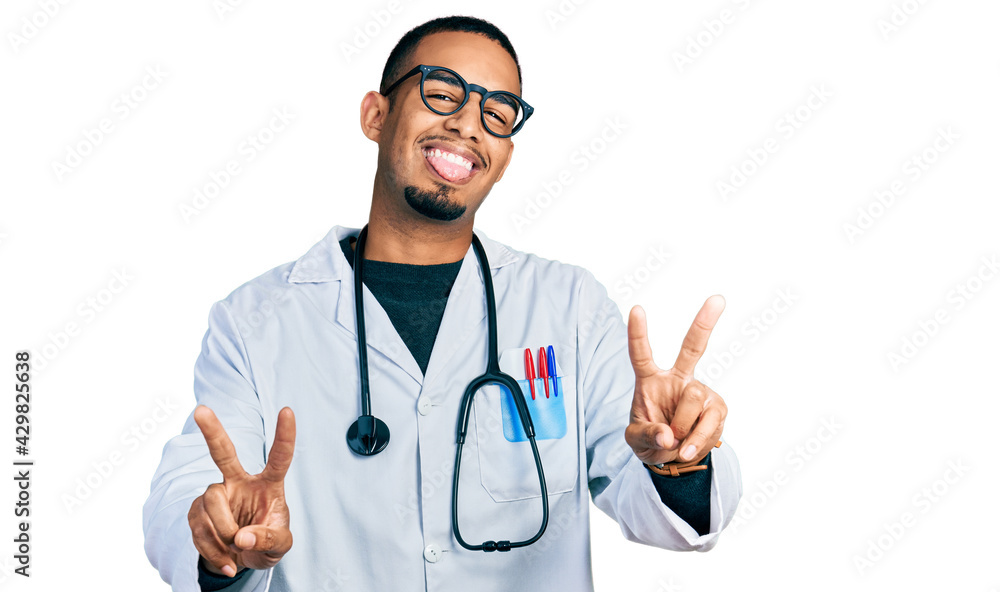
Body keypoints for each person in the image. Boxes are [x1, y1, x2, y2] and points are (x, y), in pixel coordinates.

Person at [143, 15, 742, 592]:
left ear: (505, 156)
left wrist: (678, 461)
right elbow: (197, 485)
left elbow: (649, 500)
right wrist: (217, 536)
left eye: (497, 113)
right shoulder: (254, 321)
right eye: (442, 91)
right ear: (376, 115)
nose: (468, 124)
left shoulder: (570, 306)